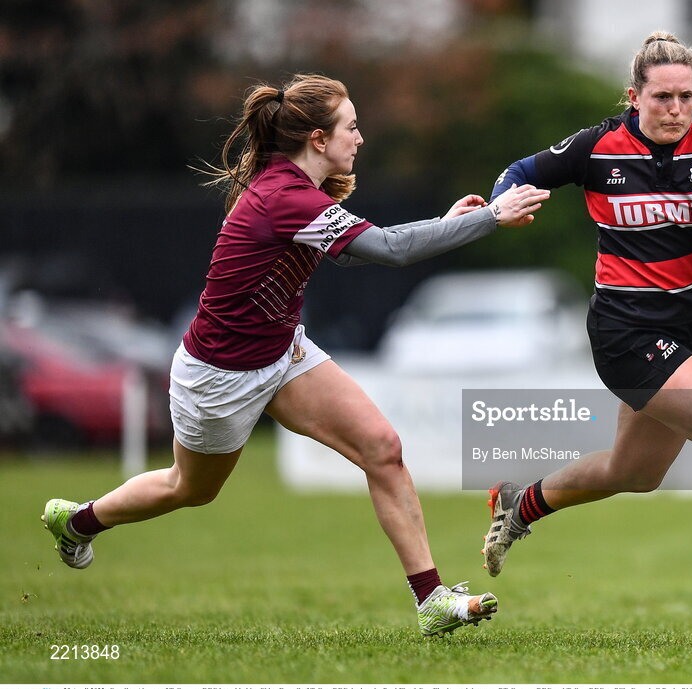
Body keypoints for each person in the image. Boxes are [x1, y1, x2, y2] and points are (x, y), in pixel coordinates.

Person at [40, 73, 550, 638]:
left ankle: (430, 599)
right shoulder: (283, 195)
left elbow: (359, 254)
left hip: (283, 352)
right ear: (317, 137)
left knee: (383, 448)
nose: (360, 137)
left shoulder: (301, 190)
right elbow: (387, 249)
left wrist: (446, 225)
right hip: (220, 376)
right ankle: (79, 520)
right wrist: (488, 218)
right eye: (351, 127)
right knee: (191, 489)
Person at [481, 33, 692, 637]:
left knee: (633, 472)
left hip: (688, 332)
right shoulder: (597, 148)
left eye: (687, 96)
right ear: (634, 96)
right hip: (625, 331)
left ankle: (520, 503)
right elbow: (520, 171)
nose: (676, 109)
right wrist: (506, 204)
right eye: (662, 96)